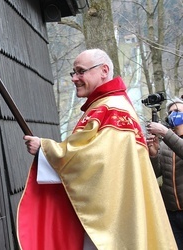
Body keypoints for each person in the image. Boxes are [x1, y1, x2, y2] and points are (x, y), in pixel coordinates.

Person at [17, 48, 177, 249]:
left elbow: (98, 160)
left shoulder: (111, 108)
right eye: (73, 72)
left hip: (110, 220)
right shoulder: (107, 105)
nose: (75, 78)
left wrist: (46, 148)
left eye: (81, 71)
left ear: (104, 70)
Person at [146, 99, 183, 249]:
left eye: (178, 112)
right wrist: (154, 154)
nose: (173, 115)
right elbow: (155, 173)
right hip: (171, 215)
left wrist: (165, 133)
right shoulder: (165, 144)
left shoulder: (168, 139)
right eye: (170, 113)